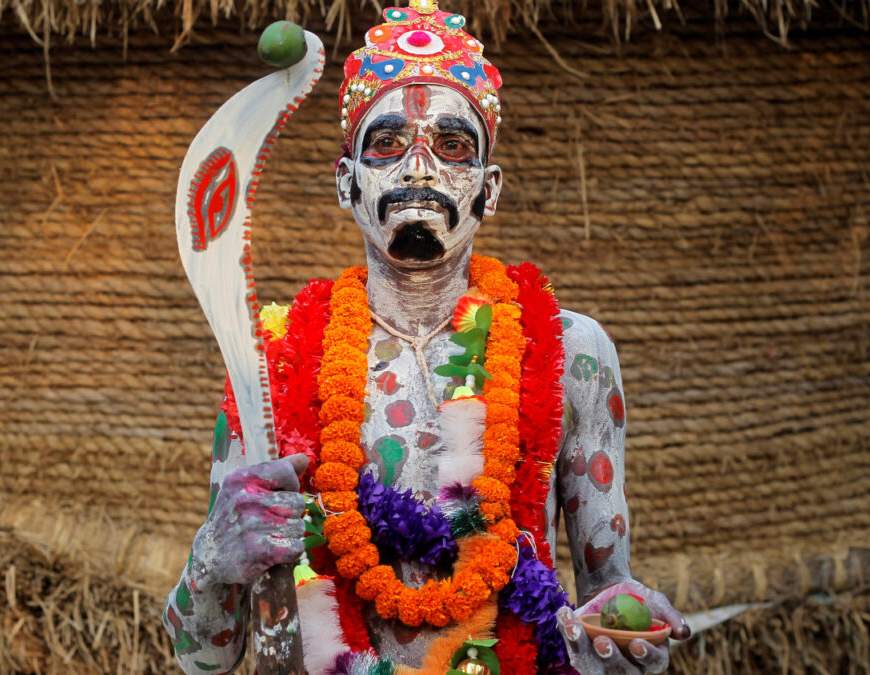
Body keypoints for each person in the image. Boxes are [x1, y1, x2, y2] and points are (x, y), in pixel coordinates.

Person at [162, 2, 690, 672]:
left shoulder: (573, 353)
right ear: (346, 182)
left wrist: (624, 627)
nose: (418, 168)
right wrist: (213, 557)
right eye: (387, 145)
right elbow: (199, 657)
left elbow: (606, 593)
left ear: (488, 189)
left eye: (451, 145)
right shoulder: (271, 364)